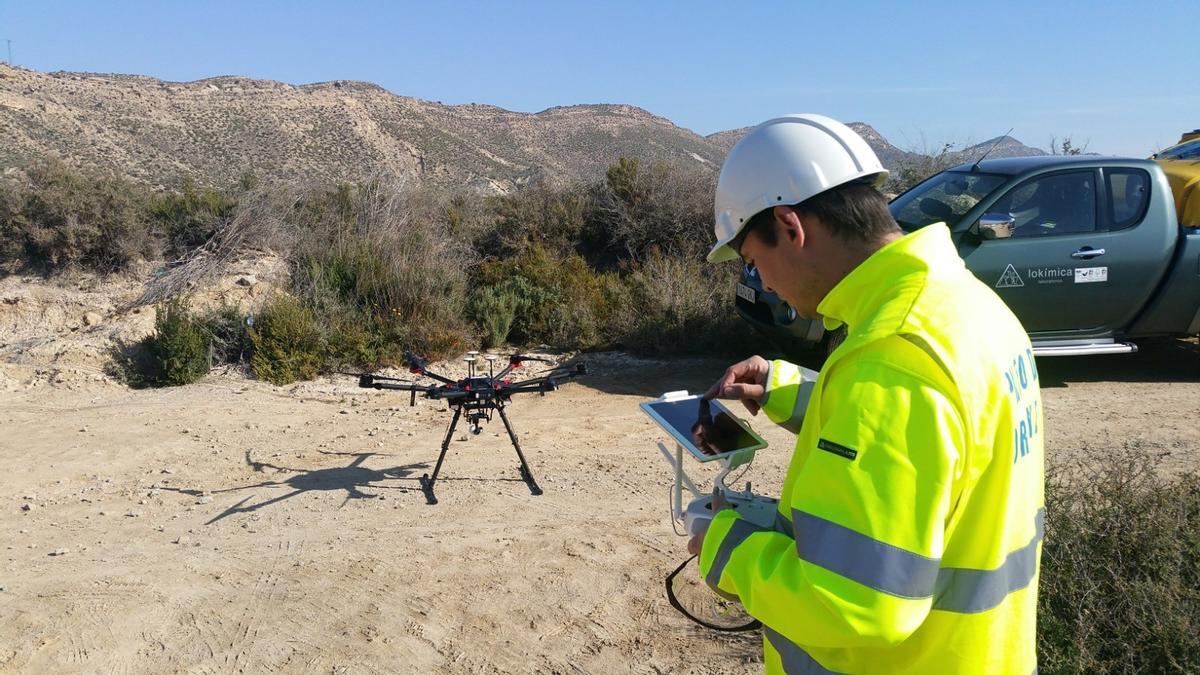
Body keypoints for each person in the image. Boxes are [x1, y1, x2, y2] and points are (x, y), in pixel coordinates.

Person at [689, 114, 1045, 674]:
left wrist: (725, 546)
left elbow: (852, 604)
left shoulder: (891, 358)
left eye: (755, 264)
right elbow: (926, 443)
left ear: (789, 225)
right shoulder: (963, 307)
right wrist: (789, 391)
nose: (767, 285)